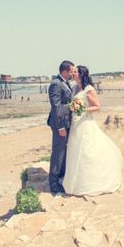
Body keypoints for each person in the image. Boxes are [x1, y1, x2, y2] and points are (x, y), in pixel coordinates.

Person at [62, 65, 122, 196]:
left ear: (81, 74)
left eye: (76, 72)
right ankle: (74, 183)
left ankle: (91, 182)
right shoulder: (74, 88)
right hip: (75, 124)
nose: (73, 73)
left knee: (87, 151)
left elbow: (97, 107)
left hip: (85, 122)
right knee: (75, 150)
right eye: (73, 71)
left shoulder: (89, 89)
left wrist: (82, 110)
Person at [47, 60, 76, 194]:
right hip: (60, 124)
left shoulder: (66, 83)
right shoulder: (55, 84)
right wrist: (60, 127)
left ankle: (60, 177)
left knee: (63, 151)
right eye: (71, 71)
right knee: (58, 152)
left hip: (67, 122)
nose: (72, 74)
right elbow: (56, 107)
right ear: (64, 71)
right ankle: (53, 184)